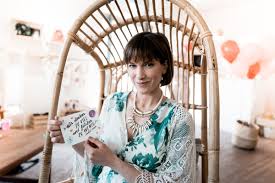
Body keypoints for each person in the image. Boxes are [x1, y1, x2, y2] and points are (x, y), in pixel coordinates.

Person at [48, 32, 196, 183]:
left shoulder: (180, 119)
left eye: (148, 64)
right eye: (132, 65)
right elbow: (96, 158)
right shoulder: (113, 102)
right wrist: (70, 136)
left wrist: (114, 162)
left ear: (164, 66)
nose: (139, 75)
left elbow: (176, 181)